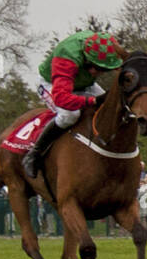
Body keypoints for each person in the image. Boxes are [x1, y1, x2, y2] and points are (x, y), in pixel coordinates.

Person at [24, 31, 126, 179]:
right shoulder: (67, 57)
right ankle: (34, 153)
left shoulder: (109, 51)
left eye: (102, 69)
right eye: (93, 66)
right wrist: (92, 101)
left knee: (109, 109)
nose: (95, 72)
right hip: (52, 84)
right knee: (70, 115)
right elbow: (62, 99)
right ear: (86, 56)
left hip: (83, 84)